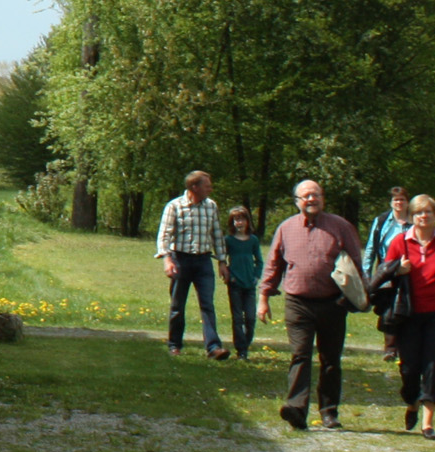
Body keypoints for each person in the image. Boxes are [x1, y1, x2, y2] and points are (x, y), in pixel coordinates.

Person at [260, 179, 363, 430]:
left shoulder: (340, 226)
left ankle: (329, 411)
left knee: (330, 359)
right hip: (298, 303)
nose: (311, 199)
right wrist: (264, 296)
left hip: (333, 303)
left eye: (315, 195)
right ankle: (296, 408)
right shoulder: (286, 228)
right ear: (297, 202)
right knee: (300, 355)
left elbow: (357, 263)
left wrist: (356, 295)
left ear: (322, 198)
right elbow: (274, 264)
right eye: (305, 196)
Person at [378, 194, 435, 436]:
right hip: (408, 313)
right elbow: (384, 274)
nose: (424, 216)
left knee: (434, 365)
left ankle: (428, 421)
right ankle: (412, 402)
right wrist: (399, 268)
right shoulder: (400, 242)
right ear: (411, 217)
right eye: (418, 212)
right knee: (410, 368)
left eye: (428, 212)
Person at [155, 170, 230, 359]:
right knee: (177, 305)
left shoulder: (211, 206)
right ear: (194, 187)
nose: (210, 189)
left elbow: (217, 235)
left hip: (203, 261)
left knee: (207, 304)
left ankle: (213, 348)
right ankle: (174, 344)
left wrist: (222, 261)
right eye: (207, 185)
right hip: (181, 259)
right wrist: (167, 259)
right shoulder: (175, 206)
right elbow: (164, 234)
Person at [364, 186, 411, 362]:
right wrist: (366, 274)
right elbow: (371, 248)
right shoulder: (382, 221)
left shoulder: (414, 221)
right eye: (395, 200)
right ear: (391, 203)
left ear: (408, 202)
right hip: (386, 271)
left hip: (409, 271)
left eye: (402, 200)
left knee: (407, 307)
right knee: (388, 309)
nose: (399, 203)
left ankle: (406, 347)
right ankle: (390, 349)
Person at [221, 206, 263, 361]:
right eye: (236, 220)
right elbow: (222, 259)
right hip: (235, 284)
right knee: (237, 318)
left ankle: (246, 343)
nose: (239, 222)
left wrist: (256, 277)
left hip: (249, 285)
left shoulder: (253, 240)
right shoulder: (229, 240)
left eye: (242, 219)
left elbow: (259, 261)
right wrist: (228, 275)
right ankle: (241, 350)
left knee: (251, 318)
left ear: (247, 221)